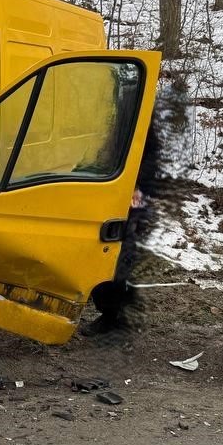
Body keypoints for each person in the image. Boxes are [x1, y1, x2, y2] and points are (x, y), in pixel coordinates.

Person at [83, 118, 160, 336]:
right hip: (110, 186)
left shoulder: (144, 112)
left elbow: (152, 158)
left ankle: (114, 317)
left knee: (118, 257)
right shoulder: (115, 106)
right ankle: (113, 312)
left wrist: (139, 188)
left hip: (130, 197)